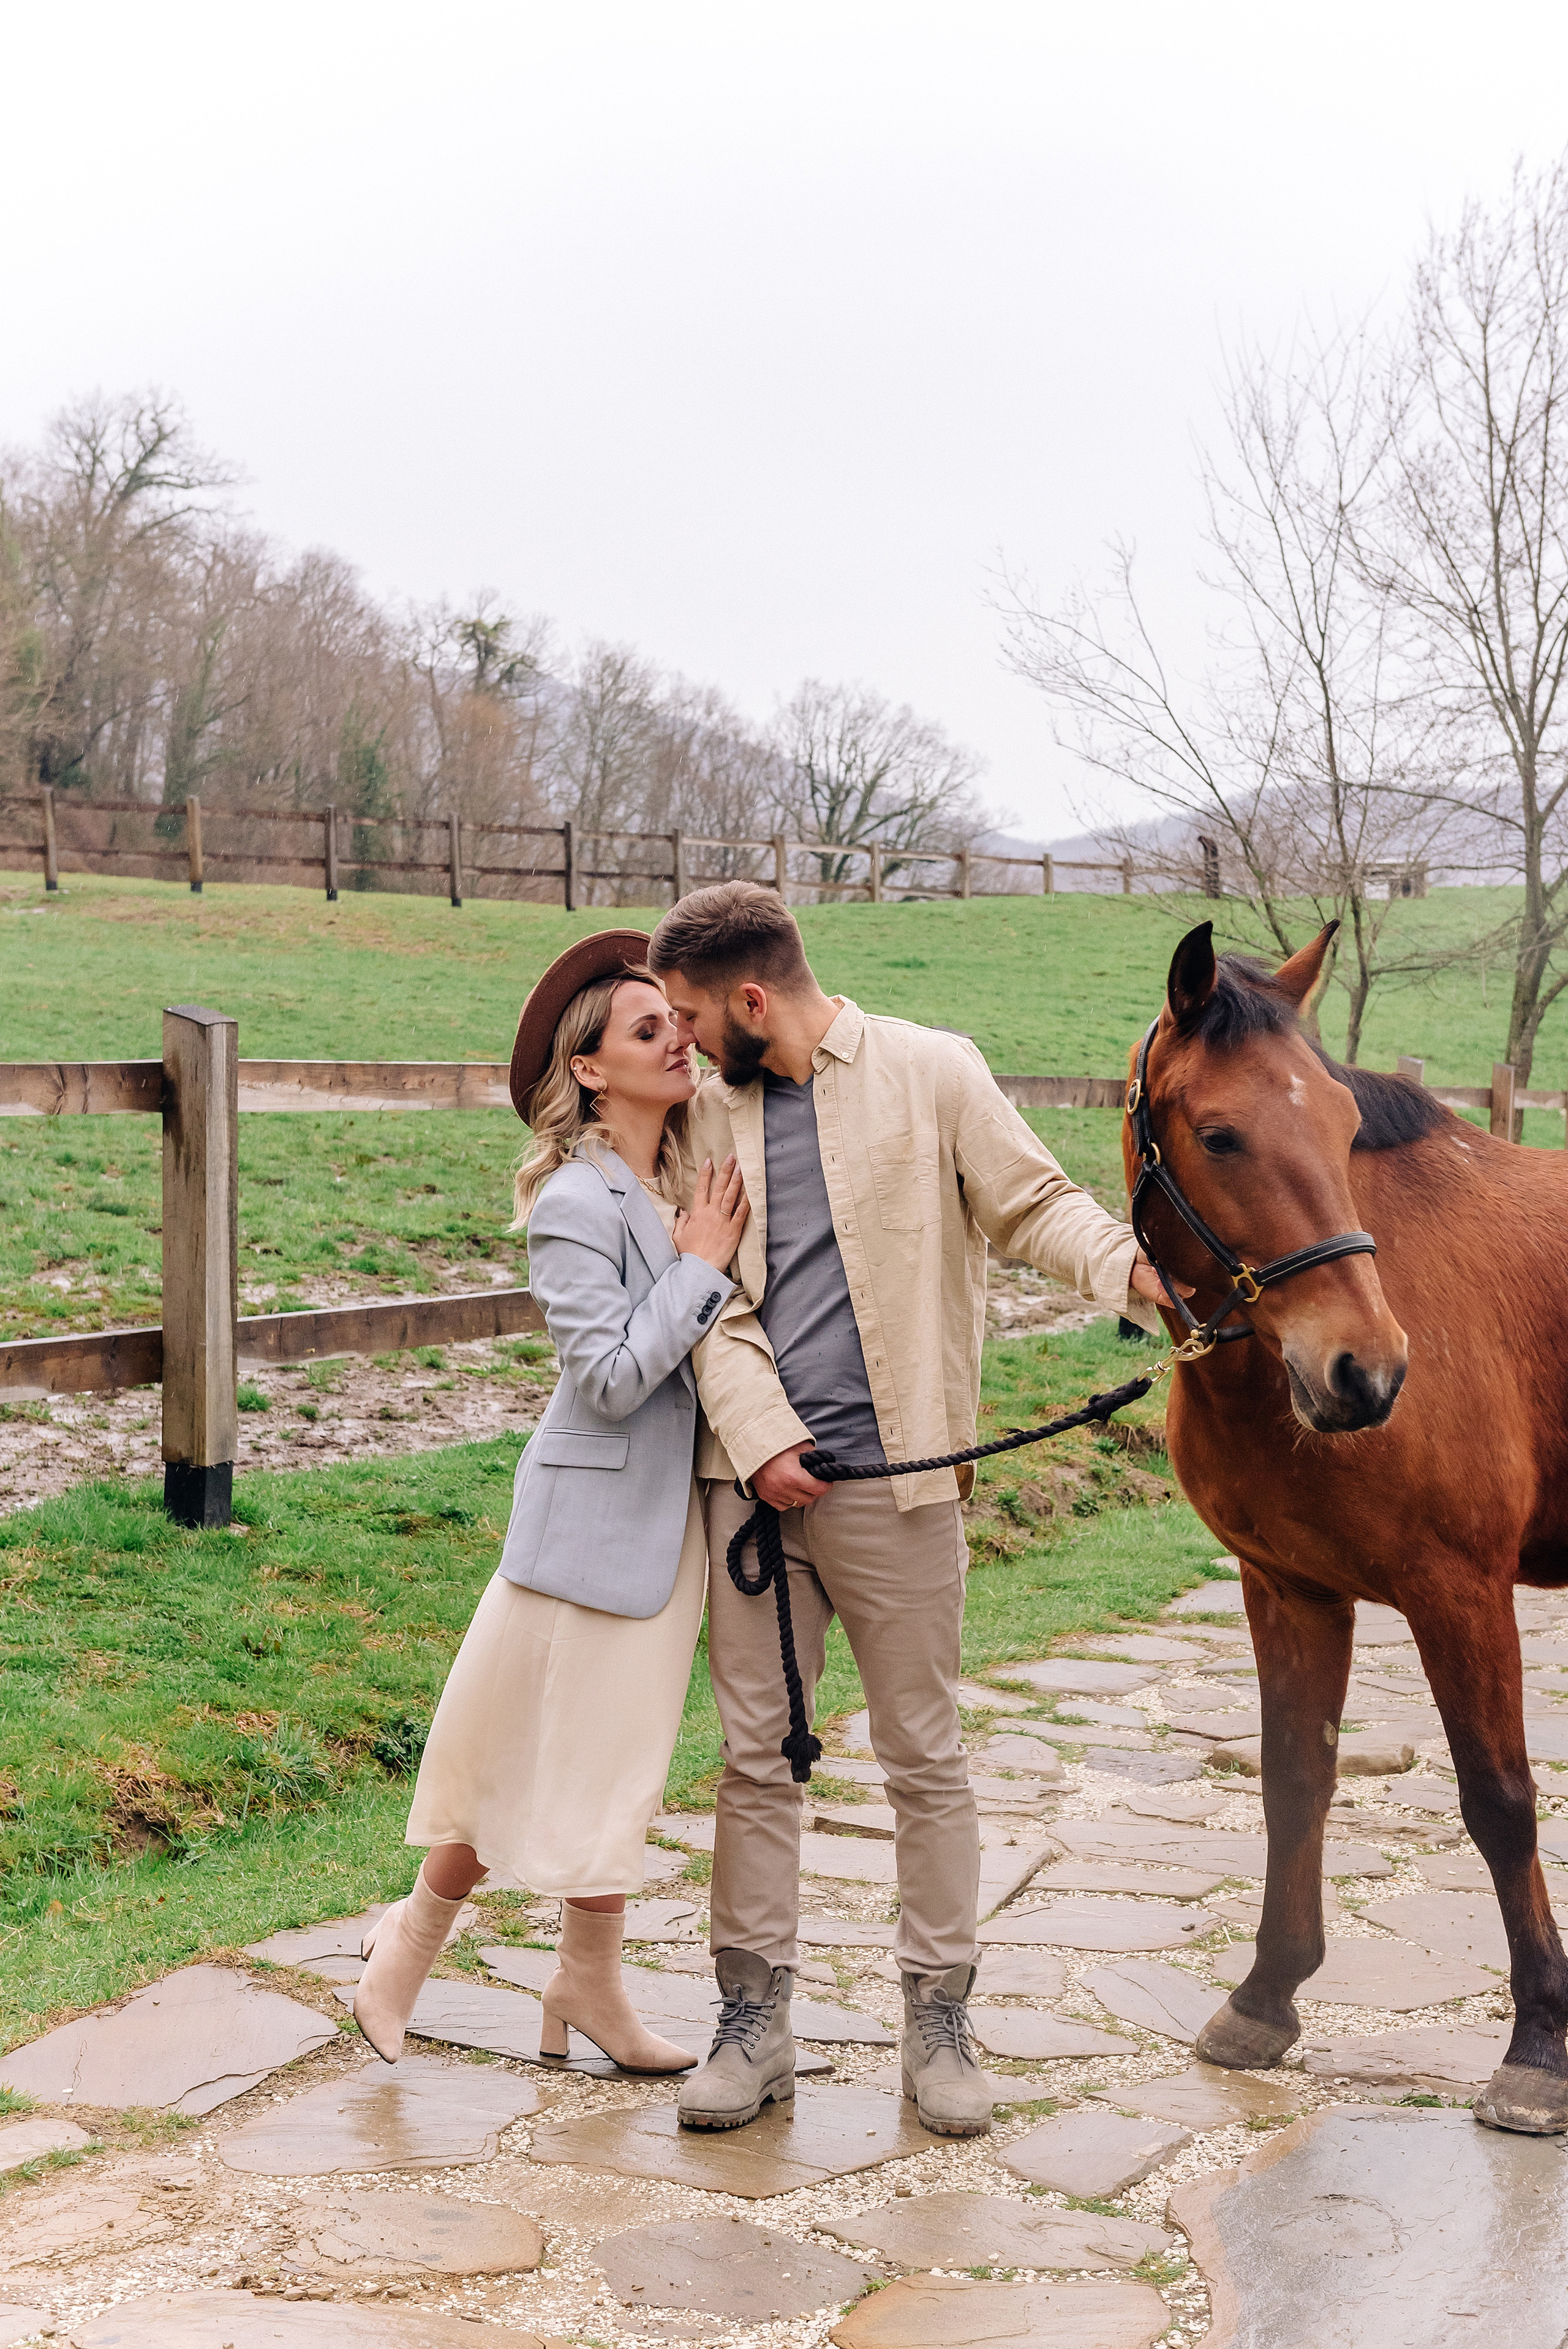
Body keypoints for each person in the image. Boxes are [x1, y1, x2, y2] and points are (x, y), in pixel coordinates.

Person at [645, 881, 1172, 2137]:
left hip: (905, 1487)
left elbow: (1034, 1203)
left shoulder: (932, 1072)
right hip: (750, 1500)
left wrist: (1134, 1272)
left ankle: (937, 2022)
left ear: (752, 1000)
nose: (678, 1037)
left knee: (923, 1760)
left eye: (689, 1013)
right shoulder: (695, 1114)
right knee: (754, 1763)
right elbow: (699, 1297)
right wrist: (762, 1439)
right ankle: (750, 2022)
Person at [353, 929, 749, 2074]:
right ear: (590, 1070)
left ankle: (585, 1983)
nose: (677, 1039)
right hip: (584, 1530)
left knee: (609, 1770)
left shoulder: (677, 1175)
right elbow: (613, 1378)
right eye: (647, 1029)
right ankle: (405, 1960)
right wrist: (702, 1268)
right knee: (510, 1761)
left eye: (676, 1022)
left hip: (664, 1531)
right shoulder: (578, 1201)